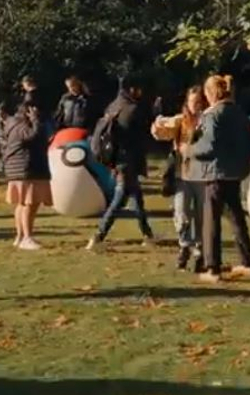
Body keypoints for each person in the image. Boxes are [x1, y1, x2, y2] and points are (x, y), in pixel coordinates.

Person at [187, 74, 250, 282]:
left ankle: (212, 267)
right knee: (236, 218)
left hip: (215, 173)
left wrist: (189, 149)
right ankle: (247, 261)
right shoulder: (239, 112)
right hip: (235, 173)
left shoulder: (212, 115)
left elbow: (208, 147)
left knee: (211, 220)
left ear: (210, 94)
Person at [87, 76, 156, 249]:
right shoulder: (132, 109)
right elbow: (140, 136)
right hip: (128, 161)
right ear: (131, 89)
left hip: (117, 159)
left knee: (137, 199)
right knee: (118, 201)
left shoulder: (114, 106)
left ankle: (148, 234)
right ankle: (98, 236)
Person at [152, 85, 207, 270]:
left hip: (203, 175)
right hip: (182, 174)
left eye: (199, 102)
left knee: (201, 215)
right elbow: (161, 131)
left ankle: (200, 250)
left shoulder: (208, 120)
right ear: (187, 102)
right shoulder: (181, 120)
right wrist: (158, 123)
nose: (196, 105)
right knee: (181, 212)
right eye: (193, 102)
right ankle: (184, 245)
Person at [2, 93, 53, 250]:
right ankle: (27, 237)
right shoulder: (22, 124)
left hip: (19, 168)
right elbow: (31, 136)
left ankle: (20, 236)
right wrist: (36, 120)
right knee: (30, 204)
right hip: (26, 168)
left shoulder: (12, 123)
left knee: (22, 204)